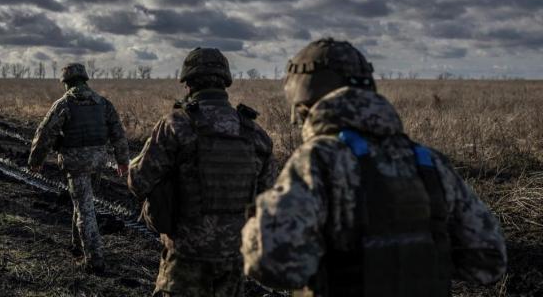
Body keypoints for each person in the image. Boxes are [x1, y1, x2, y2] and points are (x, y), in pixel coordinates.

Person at [241, 38, 507, 296]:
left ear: (302, 100)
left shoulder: (319, 160)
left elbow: (271, 262)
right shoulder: (428, 161)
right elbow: (487, 261)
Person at [129, 48, 276, 297]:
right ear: (225, 82)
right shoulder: (254, 133)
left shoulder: (176, 124)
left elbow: (139, 181)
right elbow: (269, 197)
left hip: (186, 256)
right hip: (234, 258)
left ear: (188, 83)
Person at [28, 63, 129, 273]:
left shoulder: (63, 104)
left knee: (85, 210)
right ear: (85, 80)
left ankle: (94, 260)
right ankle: (77, 245)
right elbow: (118, 133)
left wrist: (36, 161)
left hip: (76, 165)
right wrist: (122, 161)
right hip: (98, 163)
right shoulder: (103, 103)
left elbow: (45, 134)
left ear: (66, 83)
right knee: (83, 202)